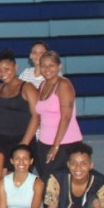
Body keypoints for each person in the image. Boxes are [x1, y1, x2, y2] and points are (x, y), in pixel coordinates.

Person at [34, 50, 82, 180]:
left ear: (59, 66)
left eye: (51, 65)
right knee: (48, 183)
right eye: (43, 65)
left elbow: (66, 117)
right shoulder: (42, 84)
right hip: (44, 142)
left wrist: (56, 146)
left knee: (61, 184)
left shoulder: (64, 84)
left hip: (65, 143)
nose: (47, 69)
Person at [0, 49, 40, 169]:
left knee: (19, 179)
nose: (3, 73)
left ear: (16, 67)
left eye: (7, 69)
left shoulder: (27, 87)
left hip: (21, 139)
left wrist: (24, 143)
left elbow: (36, 116)